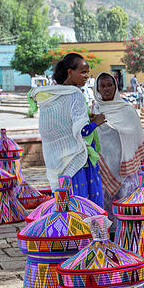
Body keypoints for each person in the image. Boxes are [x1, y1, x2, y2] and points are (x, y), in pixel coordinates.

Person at [34, 53, 105, 205]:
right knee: (84, 204)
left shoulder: (51, 95)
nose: (86, 76)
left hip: (59, 159)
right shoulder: (75, 95)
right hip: (77, 159)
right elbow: (82, 131)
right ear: (69, 72)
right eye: (83, 72)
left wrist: (87, 117)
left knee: (66, 204)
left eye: (87, 72)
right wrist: (96, 122)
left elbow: (61, 125)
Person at [93, 72, 144, 216]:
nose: (106, 89)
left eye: (109, 85)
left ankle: (128, 234)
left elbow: (136, 135)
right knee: (107, 204)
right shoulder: (94, 111)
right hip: (103, 167)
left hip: (126, 169)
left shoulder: (127, 110)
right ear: (97, 89)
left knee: (127, 203)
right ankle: (109, 233)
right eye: (102, 86)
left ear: (115, 87)